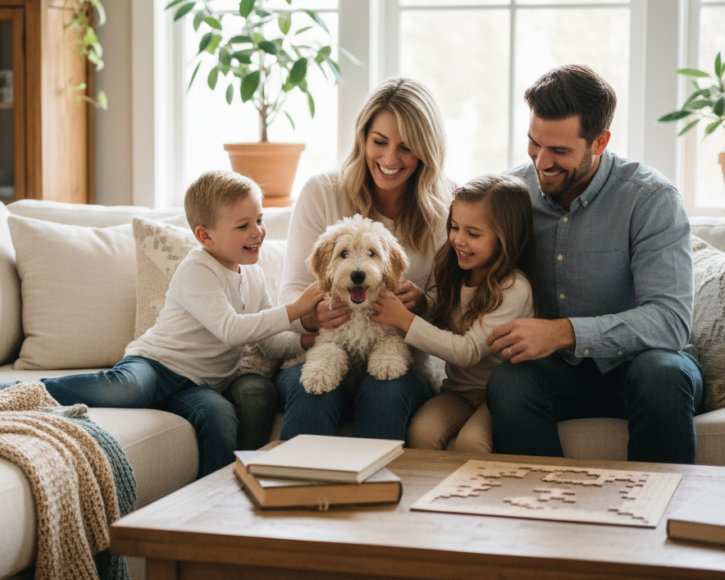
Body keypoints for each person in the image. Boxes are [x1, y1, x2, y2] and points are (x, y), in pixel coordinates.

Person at [0, 170, 324, 477]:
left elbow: (267, 340)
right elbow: (231, 329)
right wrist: (294, 310)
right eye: (244, 225)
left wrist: (304, 341)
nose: (258, 232)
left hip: (201, 384)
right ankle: (9, 393)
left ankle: (218, 505)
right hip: (156, 365)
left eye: (259, 220)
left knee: (218, 417)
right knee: (128, 389)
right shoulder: (197, 269)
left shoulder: (254, 275)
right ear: (205, 236)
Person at [484, 64, 704, 464]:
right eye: (535, 144)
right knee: (509, 382)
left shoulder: (650, 198)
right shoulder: (512, 193)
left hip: (645, 366)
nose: (541, 163)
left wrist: (563, 332)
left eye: (560, 151)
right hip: (561, 374)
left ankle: (658, 515)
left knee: (660, 374)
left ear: (599, 142)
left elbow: (670, 322)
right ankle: (540, 510)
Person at [271, 77, 453, 441]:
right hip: (327, 347)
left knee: (385, 393)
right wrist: (311, 316)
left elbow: (451, 310)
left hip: (396, 356)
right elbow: (289, 294)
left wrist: (422, 303)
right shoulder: (322, 192)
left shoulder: (445, 208)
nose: (389, 159)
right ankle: (294, 493)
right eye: (379, 142)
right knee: (314, 392)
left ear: (426, 150)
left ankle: (374, 497)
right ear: (363, 139)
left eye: (406, 147)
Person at [370, 174, 539, 452]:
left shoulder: (515, 288)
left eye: (473, 234)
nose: (458, 240)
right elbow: (444, 308)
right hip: (457, 391)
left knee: (472, 444)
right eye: (454, 227)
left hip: (497, 394)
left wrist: (405, 319)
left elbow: (468, 350)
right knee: (420, 433)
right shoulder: (456, 269)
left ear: (506, 237)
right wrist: (423, 302)